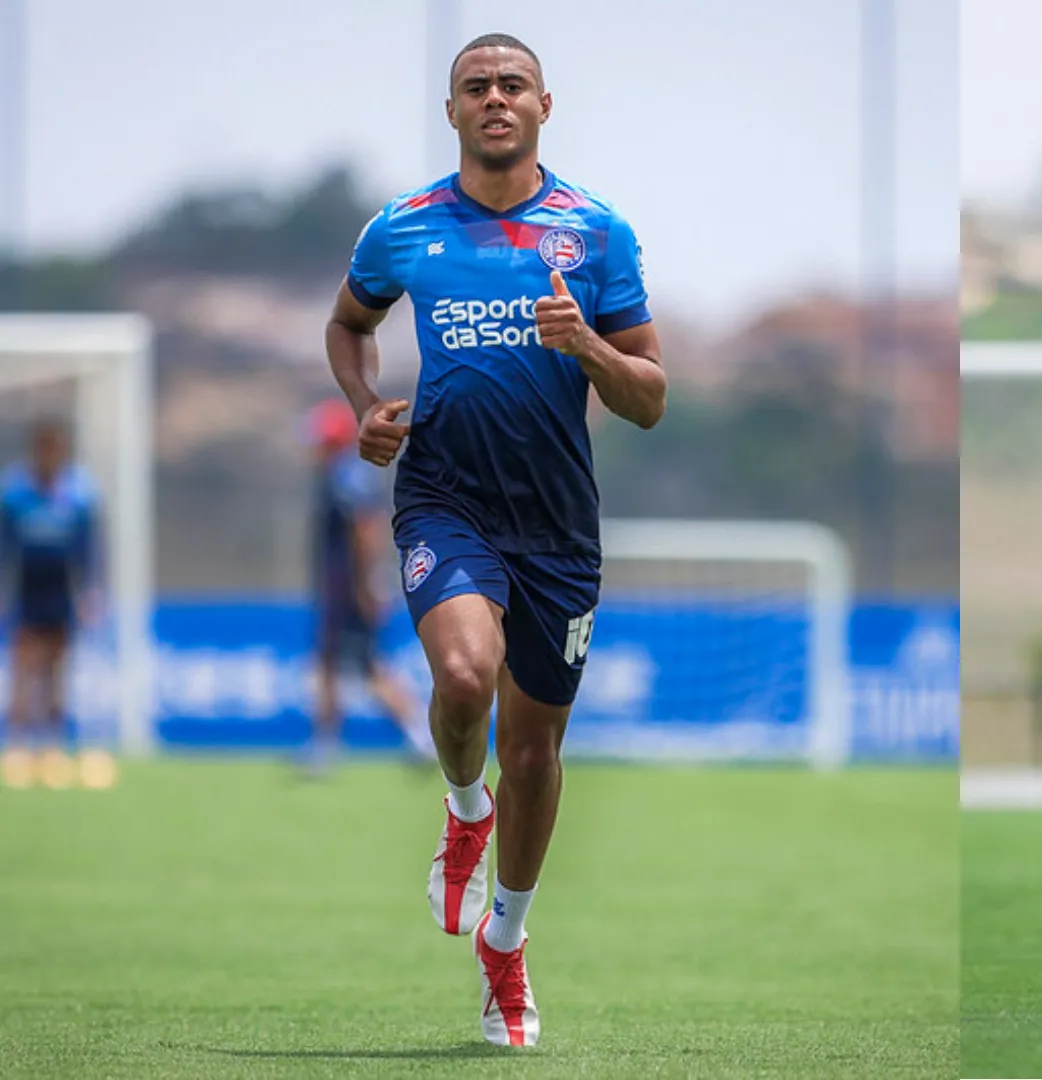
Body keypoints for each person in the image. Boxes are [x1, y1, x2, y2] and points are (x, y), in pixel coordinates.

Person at [323, 32, 664, 1048]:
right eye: (477, 86)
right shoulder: (405, 226)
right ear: (453, 111)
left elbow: (648, 398)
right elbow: (349, 325)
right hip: (444, 500)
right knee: (465, 680)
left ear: (545, 106)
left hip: (556, 525)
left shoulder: (597, 235)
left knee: (537, 747)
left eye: (513, 85)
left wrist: (589, 345)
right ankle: (462, 805)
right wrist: (363, 406)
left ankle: (505, 949)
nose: (496, 99)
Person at [305, 399, 433, 776]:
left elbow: (366, 531)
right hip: (340, 591)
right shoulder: (339, 475)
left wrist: (366, 586)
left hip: (347, 592)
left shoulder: (346, 478)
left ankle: (419, 736)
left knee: (366, 668)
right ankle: (326, 745)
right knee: (340, 665)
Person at [0, 418, 105, 790]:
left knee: (57, 671)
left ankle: (53, 748)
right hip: (28, 592)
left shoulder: (78, 492)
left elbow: (90, 549)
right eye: (44, 447)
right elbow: (5, 546)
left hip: (61, 593)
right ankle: (15, 748)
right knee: (25, 666)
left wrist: (91, 590)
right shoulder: (14, 492)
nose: (50, 455)